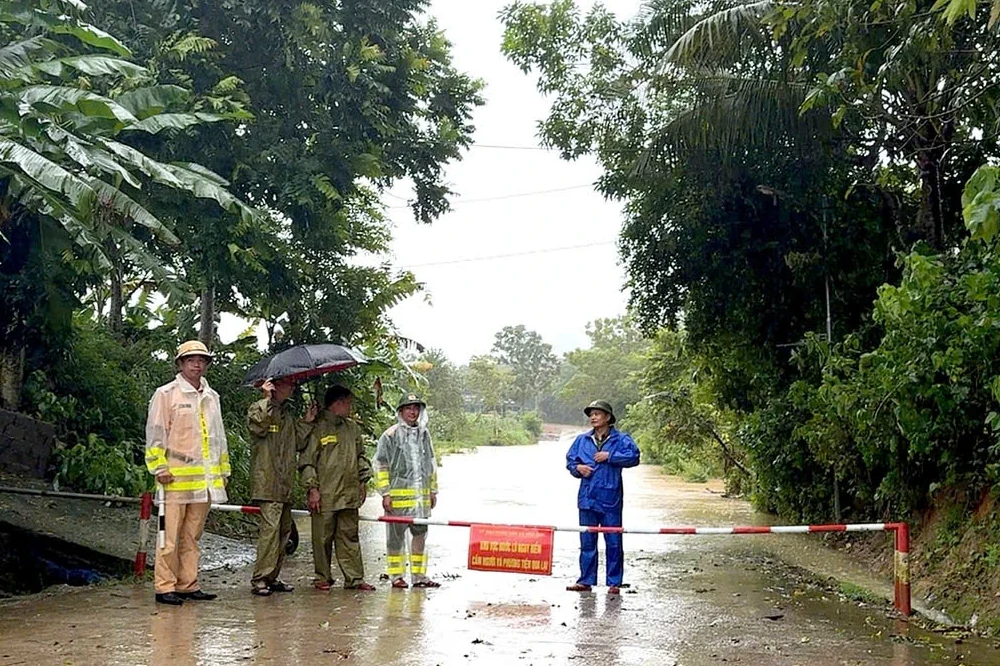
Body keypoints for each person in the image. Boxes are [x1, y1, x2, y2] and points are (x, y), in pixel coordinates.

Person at [144, 340, 230, 606]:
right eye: (191, 359)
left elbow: (219, 438)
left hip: (204, 482)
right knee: (168, 538)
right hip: (174, 480)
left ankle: (188, 584)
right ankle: (164, 587)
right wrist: (159, 466)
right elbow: (156, 433)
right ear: (180, 364)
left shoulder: (211, 397)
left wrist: (223, 470)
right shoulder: (167, 394)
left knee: (192, 536)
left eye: (201, 360)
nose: (197, 364)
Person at [299, 385, 376, 591]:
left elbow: (360, 456)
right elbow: (307, 462)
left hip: (349, 493)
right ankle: (322, 577)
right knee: (322, 538)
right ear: (338, 403)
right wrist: (312, 489)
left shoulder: (352, 428)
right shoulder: (317, 428)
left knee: (350, 537)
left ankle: (355, 579)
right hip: (325, 494)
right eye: (349, 403)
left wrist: (363, 480)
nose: (351, 407)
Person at [247, 376, 317, 596]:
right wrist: (265, 399)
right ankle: (260, 578)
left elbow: (297, 443)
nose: (292, 388)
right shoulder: (260, 409)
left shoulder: (287, 415)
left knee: (284, 532)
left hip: (284, 483)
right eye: (289, 384)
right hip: (267, 483)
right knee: (270, 531)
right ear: (275, 386)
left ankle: (272, 576)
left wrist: (307, 421)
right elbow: (258, 426)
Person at [564, 400, 640, 595]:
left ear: (607, 417)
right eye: (591, 414)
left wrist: (610, 456)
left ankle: (614, 582)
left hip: (610, 498)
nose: (593, 417)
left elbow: (634, 457)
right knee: (587, 541)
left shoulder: (621, 440)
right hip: (587, 498)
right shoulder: (582, 440)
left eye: (598, 413)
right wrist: (578, 469)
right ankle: (585, 580)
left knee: (613, 541)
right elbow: (571, 461)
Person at [373, 393, 440, 589]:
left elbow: (431, 463)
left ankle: (419, 576)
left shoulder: (424, 434)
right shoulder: (390, 435)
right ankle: (396, 577)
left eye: (416, 408)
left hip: (421, 499)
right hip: (397, 500)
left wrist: (433, 491)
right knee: (395, 540)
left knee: (420, 538)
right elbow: (380, 464)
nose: (413, 411)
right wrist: (385, 493)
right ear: (401, 411)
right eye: (409, 407)